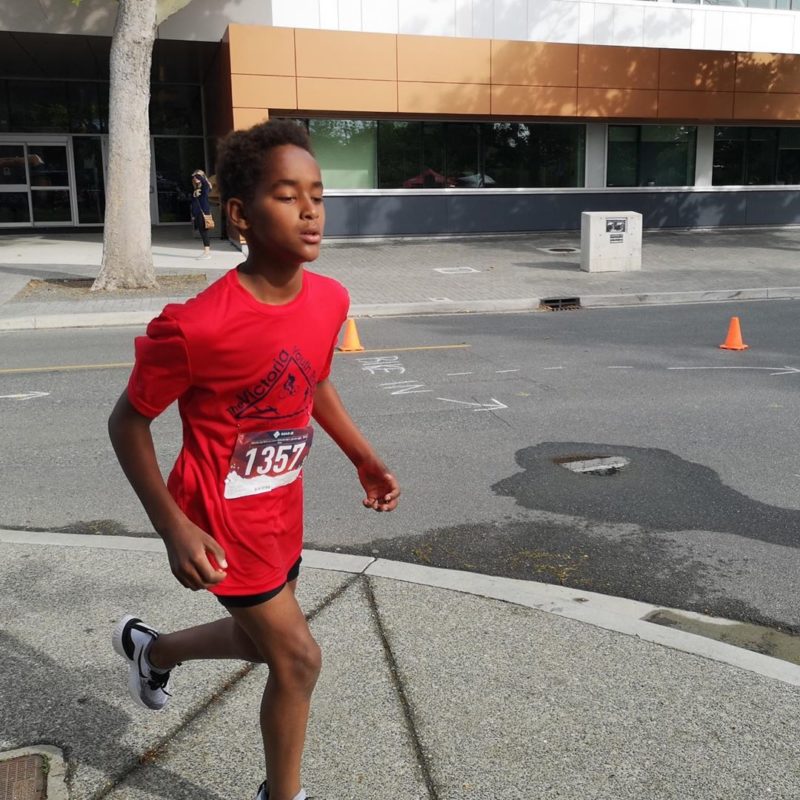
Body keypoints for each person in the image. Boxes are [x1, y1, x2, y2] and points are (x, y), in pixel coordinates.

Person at [108, 120, 400, 800]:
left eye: (318, 196)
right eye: (287, 196)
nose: (310, 211)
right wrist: (174, 526)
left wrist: (363, 457)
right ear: (240, 214)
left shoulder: (329, 299)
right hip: (218, 523)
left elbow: (312, 380)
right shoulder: (196, 327)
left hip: (280, 511)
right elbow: (128, 422)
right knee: (297, 659)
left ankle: (152, 650)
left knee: (257, 643)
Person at [190, 168, 213, 259]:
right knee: (202, 231)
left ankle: (207, 253)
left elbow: (206, 184)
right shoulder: (197, 188)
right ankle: (206, 252)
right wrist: (193, 214)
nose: (196, 178)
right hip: (197, 213)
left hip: (203, 212)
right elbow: (194, 202)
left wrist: (198, 175)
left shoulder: (205, 187)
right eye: (195, 177)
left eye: (198, 176)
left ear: (202, 177)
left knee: (204, 232)